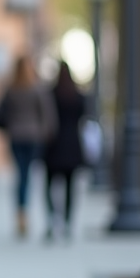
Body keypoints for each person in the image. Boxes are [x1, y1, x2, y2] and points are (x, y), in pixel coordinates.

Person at [0, 55, 57, 238]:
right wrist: (44, 133)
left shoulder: (10, 89)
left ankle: (21, 213)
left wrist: (9, 126)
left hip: (16, 136)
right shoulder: (37, 88)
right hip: (33, 137)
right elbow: (48, 115)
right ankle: (24, 212)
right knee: (27, 175)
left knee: (20, 175)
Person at [42, 61, 87, 240]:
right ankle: (67, 221)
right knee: (70, 187)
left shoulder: (51, 94)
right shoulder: (77, 96)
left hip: (53, 145)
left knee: (50, 186)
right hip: (71, 146)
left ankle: (53, 218)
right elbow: (83, 115)